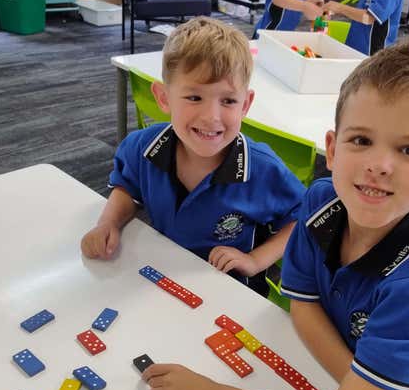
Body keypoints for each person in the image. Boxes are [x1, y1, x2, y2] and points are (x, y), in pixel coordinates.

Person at [141, 40, 409, 390]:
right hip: (342, 373)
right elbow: (304, 307)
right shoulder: (319, 202)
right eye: (361, 141)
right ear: (331, 149)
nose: (379, 165)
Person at [81, 17, 306, 295]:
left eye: (228, 101)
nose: (211, 117)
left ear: (245, 104)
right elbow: (127, 187)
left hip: (230, 294)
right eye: (194, 98)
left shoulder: (263, 169)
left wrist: (256, 260)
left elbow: (303, 219)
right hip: (160, 279)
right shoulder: (141, 147)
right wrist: (108, 223)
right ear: (164, 98)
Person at [323, 0, 405, 55]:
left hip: (371, 52)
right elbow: (362, 10)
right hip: (357, 44)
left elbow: (368, 18)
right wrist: (335, 11)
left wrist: (339, 8)